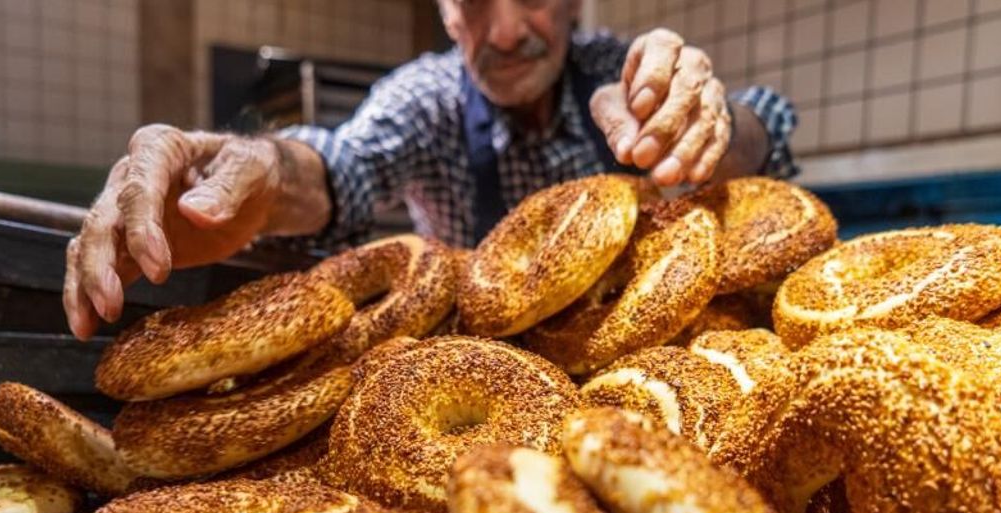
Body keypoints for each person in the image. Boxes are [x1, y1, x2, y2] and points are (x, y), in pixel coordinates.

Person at [63, 0, 798, 340]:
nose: (505, 31)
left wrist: (712, 128)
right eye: (475, 2)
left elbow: (765, 129)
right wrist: (264, 174)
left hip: (640, 365)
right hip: (473, 373)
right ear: (447, 13)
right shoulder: (427, 101)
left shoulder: (619, 72)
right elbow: (338, 170)